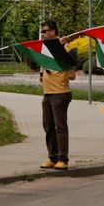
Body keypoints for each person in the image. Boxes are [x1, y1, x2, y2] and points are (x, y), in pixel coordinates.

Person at [38, 20, 77, 171]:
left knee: (60, 126)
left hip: (60, 93)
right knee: (48, 126)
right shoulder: (45, 49)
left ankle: (63, 159)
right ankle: (52, 157)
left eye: (45, 31)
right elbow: (42, 69)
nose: (43, 34)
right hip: (47, 93)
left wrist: (59, 48)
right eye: (42, 32)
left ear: (53, 32)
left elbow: (72, 74)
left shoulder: (67, 48)